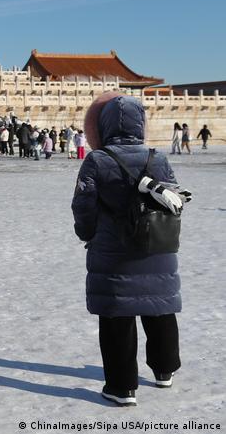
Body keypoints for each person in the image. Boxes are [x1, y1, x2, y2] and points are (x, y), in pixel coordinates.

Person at [72, 93, 182, 406]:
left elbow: (83, 204)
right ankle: (164, 370)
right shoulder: (157, 158)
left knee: (117, 314)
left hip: (113, 248)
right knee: (158, 304)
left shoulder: (97, 160)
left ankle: (121, 388)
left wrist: (87, 233)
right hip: (156, 245)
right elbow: (174, 198)